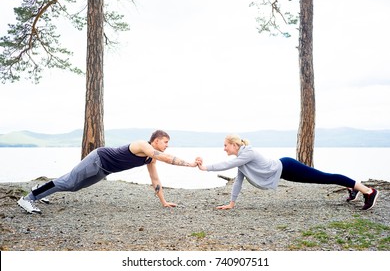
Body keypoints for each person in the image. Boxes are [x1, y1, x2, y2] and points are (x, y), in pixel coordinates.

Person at [18, 130, 199, 214]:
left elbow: (155, 179)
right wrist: (190, 164)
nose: (167, 145)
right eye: (166, 142)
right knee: (68, 182)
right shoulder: (143, 145)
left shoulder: (150, 159)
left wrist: (164, 201)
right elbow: (164, 157)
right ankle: (27, 199)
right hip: (98, 159)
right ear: (157, 141)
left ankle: (40, 189)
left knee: (73, 187)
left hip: (104, 171)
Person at [196, 134, 379, 211]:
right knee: (321, 179)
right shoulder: (242, 161)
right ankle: (352, 187)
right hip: (284, 171)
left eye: (225, 145)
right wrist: (231, 203)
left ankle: (369, 192)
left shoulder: (247, 153)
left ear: (235, 145)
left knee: (324, 177)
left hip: (288, 167)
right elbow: (238, 181)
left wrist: (205, 168)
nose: (224, 148)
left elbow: (225, 165)